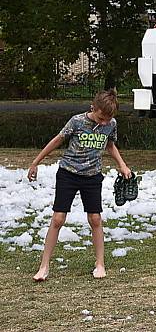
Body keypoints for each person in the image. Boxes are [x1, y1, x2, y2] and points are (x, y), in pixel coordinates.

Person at [27, 90, 132, 281]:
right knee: (58, 218)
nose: (104, 123)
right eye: (101, 118)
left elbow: (110, 145)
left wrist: (122, 165)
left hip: (92, 177)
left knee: (95, 219)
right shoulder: (77, 121)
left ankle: (100, 264)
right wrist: (36, 162)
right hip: (68, 174)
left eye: (108, 119)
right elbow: (58, 140)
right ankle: (44, 266)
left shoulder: (111, 124)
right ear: (93, 108)